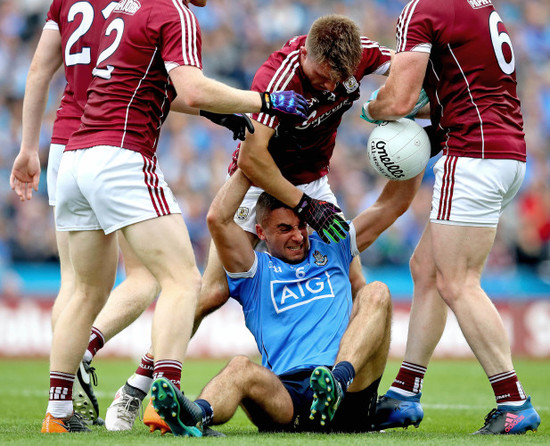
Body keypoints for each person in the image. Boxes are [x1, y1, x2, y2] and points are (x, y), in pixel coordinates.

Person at [11, 0, 308, 434]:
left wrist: (220, 111)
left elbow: (153, 84)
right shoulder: (175, 12)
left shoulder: (125, 11)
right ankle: (165, 401)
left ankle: (57, 413)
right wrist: (264, 100)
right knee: (182, 279)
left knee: (83, 290)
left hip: (74, 155)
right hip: (121, 154)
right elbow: (190, 88)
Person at [103, 13, 403, 432]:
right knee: (208, 294)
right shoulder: (277, 76)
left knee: (357, 285)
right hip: (262, 179)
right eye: (322, 76)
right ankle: (137, 389)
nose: (330, 87)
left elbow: (409, 68)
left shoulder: (362, 54)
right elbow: (252, 158)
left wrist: (407, 111)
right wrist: (304, 205)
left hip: (311, 181)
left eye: (340, 79)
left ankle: (353, 393)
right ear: (305, 54)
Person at [361, 0, 541, 435]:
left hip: (473, 152)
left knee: (458, 281)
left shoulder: (423, 9)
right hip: (503, 150)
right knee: (426, 269)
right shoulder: (481, 7)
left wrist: (373, 108)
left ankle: (513, 402)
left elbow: (401, 99)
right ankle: (405, 394)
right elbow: (457, 91)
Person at [148, 166, 422, 436]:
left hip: (349, 392)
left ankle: (336, 382)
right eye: (284, 228)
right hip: (289, 396)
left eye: (301, 226)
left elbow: (392, 204)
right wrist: (249, 165)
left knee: (376, 291)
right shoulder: (253, 271)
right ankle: (194, 415)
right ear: (261, 232)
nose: (297, 235)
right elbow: (217, 219)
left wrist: (422, 146)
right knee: (239, 367)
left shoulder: (333, 245)